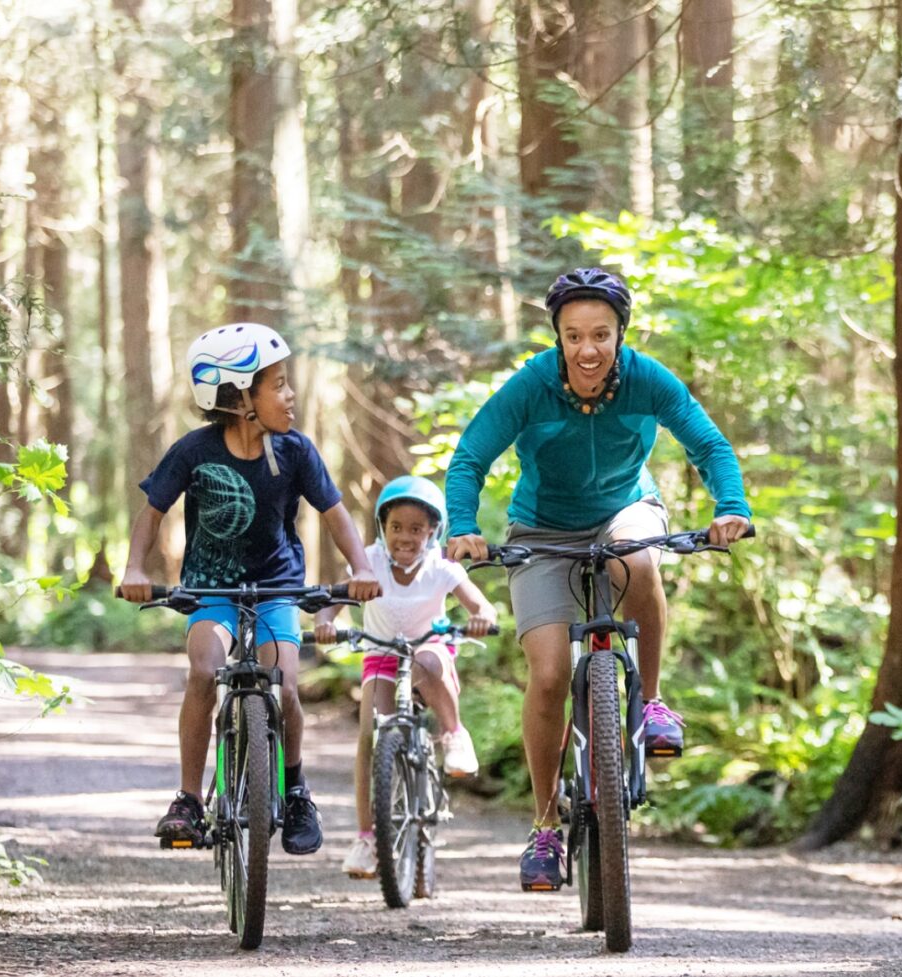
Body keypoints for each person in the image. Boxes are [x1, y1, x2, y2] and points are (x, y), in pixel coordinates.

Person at [443, 267, 751, 891]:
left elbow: (709, 445)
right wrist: (464, 526)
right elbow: (472, 455)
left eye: (601, 335)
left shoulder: (644, 378)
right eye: (574, 335)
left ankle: (654, 702)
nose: (588, 349)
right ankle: (545, 826)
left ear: (620, 336)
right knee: (551, 671)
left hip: (624, 512)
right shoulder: (532, 385)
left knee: (637, 558)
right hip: (541, 530)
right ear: (557, 336)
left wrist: (732, 507)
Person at [118, 322, 382, 857]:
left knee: (283, 684)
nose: (289, 395)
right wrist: (135, 569)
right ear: (240, 398)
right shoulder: (194, 451)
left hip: (276, 588)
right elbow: (151, 513)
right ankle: (189, 799)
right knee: (201, 669)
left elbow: (335, 515)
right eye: (277, 385)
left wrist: (360, 568)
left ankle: (297, 788)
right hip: (210, 589)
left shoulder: (295, 451)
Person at [310, 475, 499, 879]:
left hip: (429, 651)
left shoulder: (441, 567)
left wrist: (482, 616)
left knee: (428, 663)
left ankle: (453, 734)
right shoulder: (370, 561)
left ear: (432, 532)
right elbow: (333, 599)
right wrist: (325, 621)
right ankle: (367, 839)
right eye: (396, 527)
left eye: (416, 529)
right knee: (369, 734)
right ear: (384, 528)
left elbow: (480, 604)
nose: (405, 537)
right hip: (380, 654)